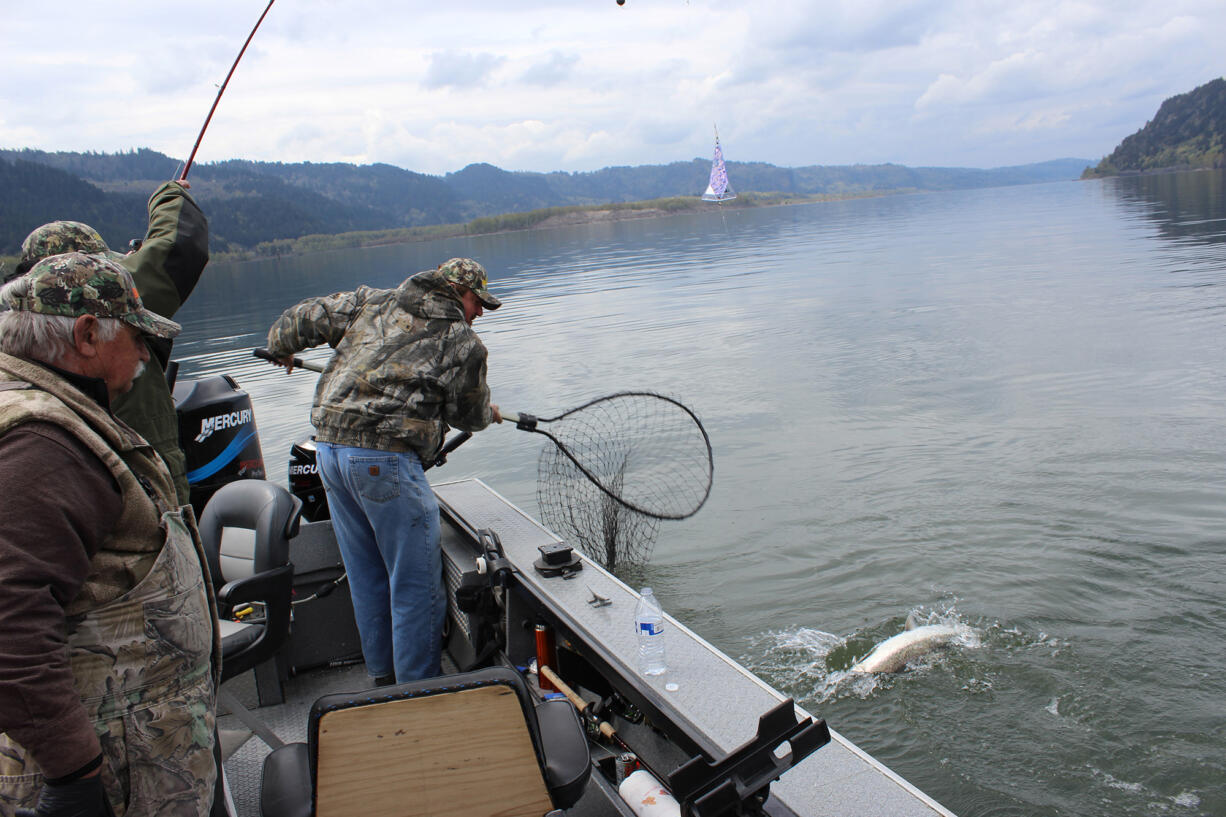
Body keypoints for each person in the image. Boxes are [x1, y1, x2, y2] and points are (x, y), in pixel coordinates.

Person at [0, 253, 220, 817]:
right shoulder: (40, 443)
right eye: (137, 337)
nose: (146, 353)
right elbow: (9, 618)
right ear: (88, 333)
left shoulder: (44, 408)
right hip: (116, 769)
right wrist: (74, 771)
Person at [265, 257, 503, 684]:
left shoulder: (370, 302)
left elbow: (300, 319)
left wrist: (282, 347)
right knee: (414, 587)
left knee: (367, 576)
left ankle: (382, 679)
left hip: (330, 454)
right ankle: (418, 690)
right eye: (476, 301)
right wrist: (487, 412)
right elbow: (468, 415)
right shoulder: (462, 342)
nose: (479, 312)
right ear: (455, 292)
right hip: (383, 462)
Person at [5, 179, 210, 506]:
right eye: (100, 266)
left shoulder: (16, 326)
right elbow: (180, 246)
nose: (143, 352)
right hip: (135, 484)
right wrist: (169, 194)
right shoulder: (89, 297)